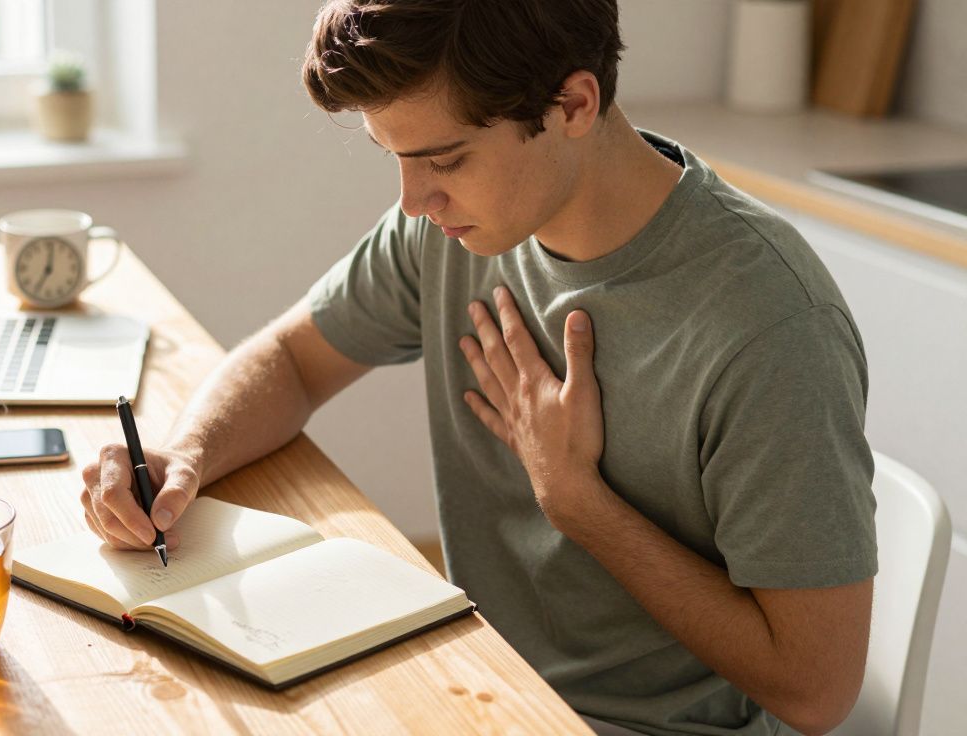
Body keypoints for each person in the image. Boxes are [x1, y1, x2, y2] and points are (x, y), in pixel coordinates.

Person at [79, 1, 877, 733]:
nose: (413, 201)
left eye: (445, 160)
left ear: (573, 106)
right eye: (394, 158)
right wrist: (185, 455)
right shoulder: (455, 229)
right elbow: (293, 358)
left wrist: (579, 502)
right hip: (477, 683)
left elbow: (815, 690)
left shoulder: (768, 327)